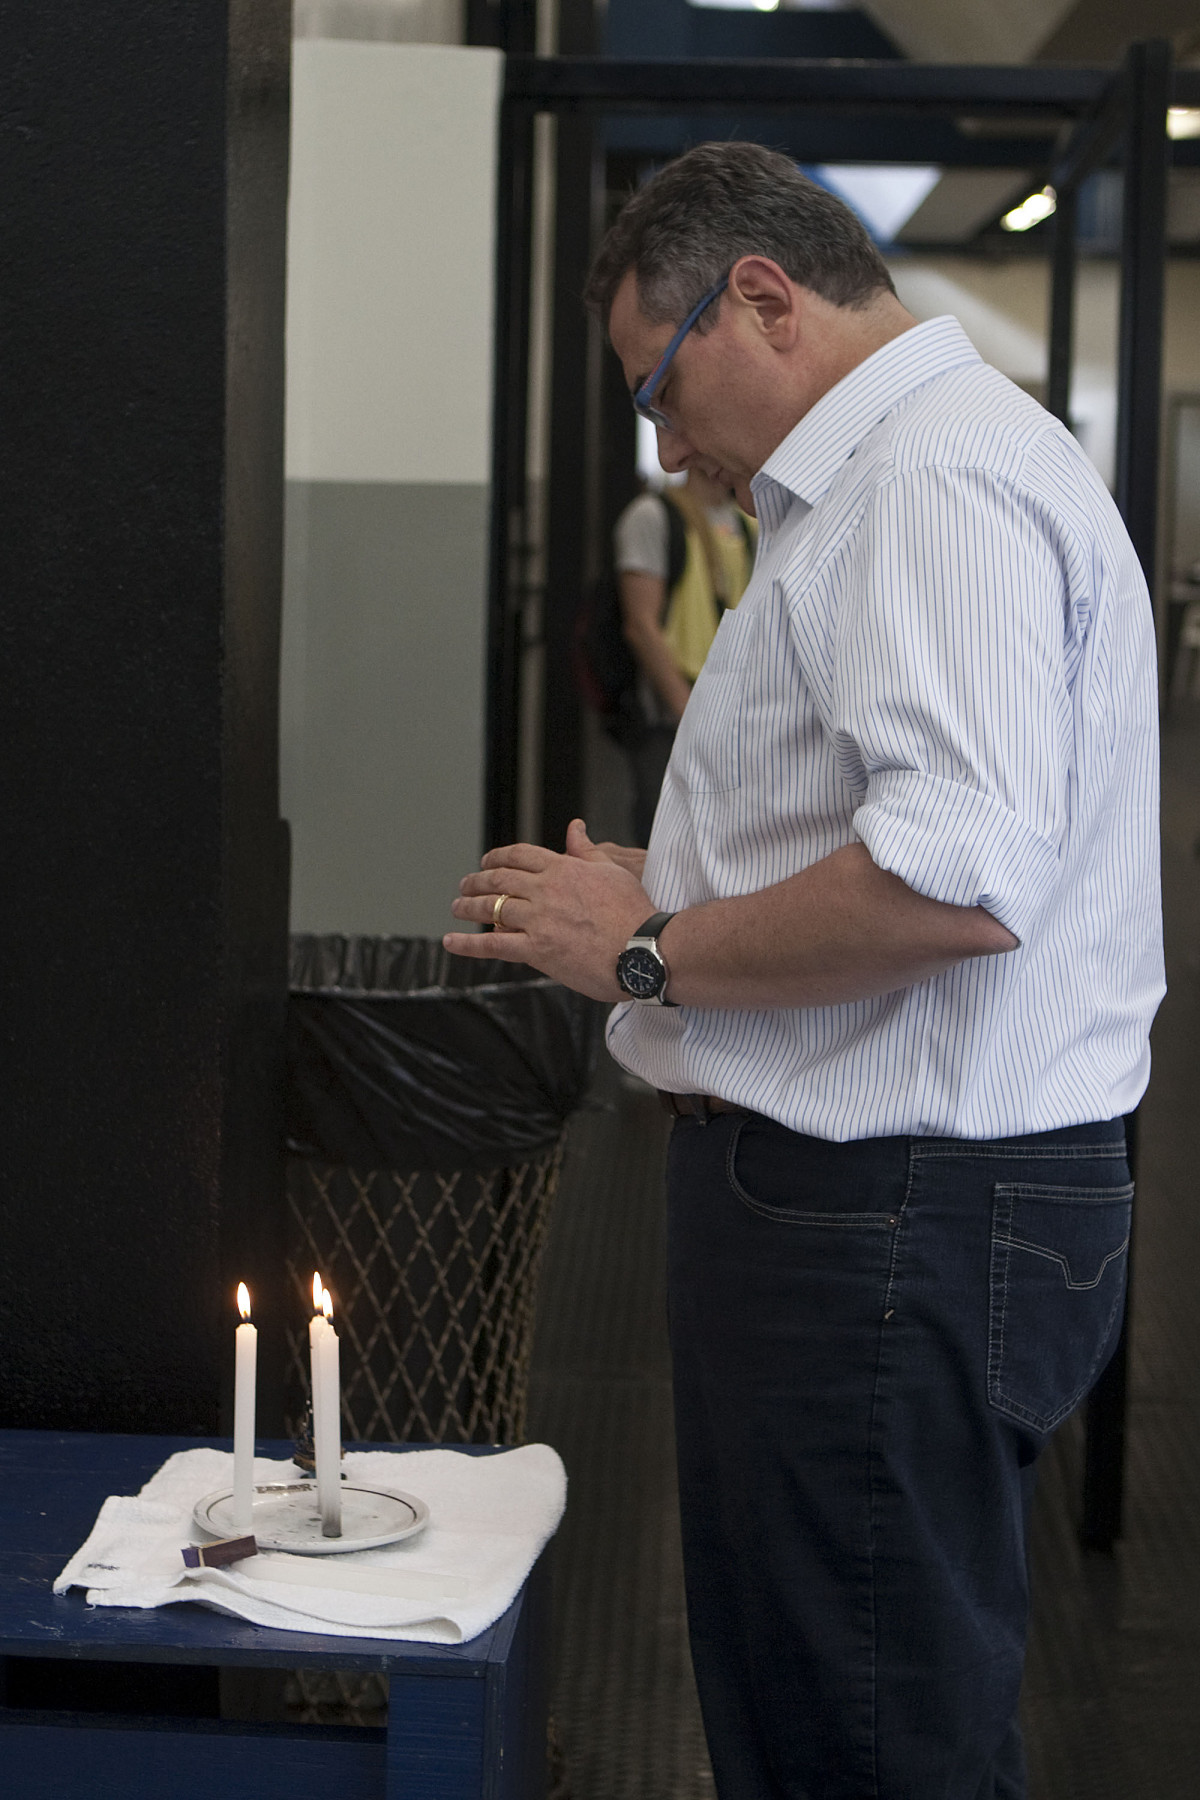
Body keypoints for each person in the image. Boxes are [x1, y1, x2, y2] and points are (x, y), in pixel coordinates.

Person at [445, 141, 1164, 1800]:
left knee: (858, 1740)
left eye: (661, 386)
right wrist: (685, 879)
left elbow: (956, 875)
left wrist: (642, 946)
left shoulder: (926, 483)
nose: (667, 442)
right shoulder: (909, 476)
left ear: (760, 298)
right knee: (837, 1708)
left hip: (888, 1221)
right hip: (892, 1214)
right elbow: (925, 827)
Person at [615, 465, 756, 844]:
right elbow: (641, 627)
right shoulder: (652, 516)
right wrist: (691, 716)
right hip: (672, 714)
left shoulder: (749, 523)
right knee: (667, 843)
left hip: (732, 710)